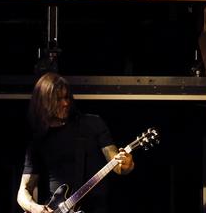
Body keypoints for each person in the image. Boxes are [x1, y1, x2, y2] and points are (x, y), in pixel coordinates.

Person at [17, 72, 134, 213]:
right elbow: (23, 192)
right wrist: (36, 209)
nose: (65, 103)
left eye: (66, 97)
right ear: (44, 101)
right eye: (58, 99)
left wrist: (127, 164)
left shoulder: (93, 124)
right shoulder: (39, 139)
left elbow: (117, 164)